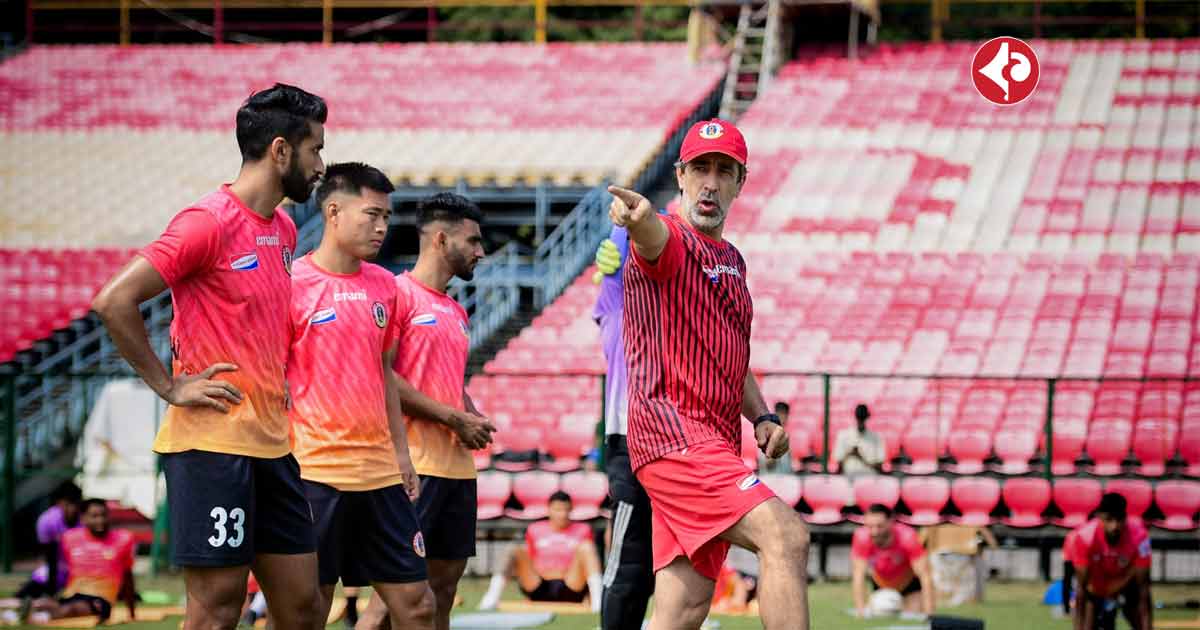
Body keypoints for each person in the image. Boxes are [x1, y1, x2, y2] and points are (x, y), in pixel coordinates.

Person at [91, 83, 327, 629]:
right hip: (211, 446)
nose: (321, 163)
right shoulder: (207, 221)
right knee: (218, 609)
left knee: (304, 607)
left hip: (273, 446)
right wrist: (169, 386)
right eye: (315, 147)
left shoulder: (286, 228)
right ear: (280, 151)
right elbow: (113, 300)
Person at [609, 118, 810, 630]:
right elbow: (653, 238)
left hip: (713, 443)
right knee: (786, 536)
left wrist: (761, 415)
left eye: (725, 171)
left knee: (683, 610)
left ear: (741, 183)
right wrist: (639, 218)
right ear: (680, 175)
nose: (711, 182)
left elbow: (731, 357)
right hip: (675, 440)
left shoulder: (733, 262)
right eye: (701, 168)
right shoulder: (669, 237)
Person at [287, 163, 436, 629]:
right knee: (305, 610)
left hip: (381, 475)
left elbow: (383, 372)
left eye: (387, 218)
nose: (382, 227)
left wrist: (401, 455)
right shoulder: (291, 285)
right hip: (314, 471)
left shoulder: (385, 287)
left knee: (418, 604)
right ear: (333, 211)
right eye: (372, 214)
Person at [360, 192, 494, 630]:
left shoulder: (456, 311)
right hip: (413, 468)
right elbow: (384, 378)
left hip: (456, 472)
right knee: (392, 601)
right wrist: (453, 418)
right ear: (440, 239)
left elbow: (449, 384)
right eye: (473, 241)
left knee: (444, 593)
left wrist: (469, 413)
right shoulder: (396, 294)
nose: (481, 251)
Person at [592, 219, 655, 628]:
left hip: (676, 443)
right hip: (630, 442)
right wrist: (621, 224)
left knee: (661, 568)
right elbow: (626, 225)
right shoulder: (616, 302)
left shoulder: (672, 305)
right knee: (630, 566)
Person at [478, 491, 603, 611]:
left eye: (566, 509)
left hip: (571, 584)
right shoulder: (535, 529)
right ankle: (491, 597)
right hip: (539, 585)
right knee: (514, 548)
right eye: (558, 510)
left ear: (571, 510)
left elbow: (587, 564)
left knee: (587, 547)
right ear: (549, 509)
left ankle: (598, 602)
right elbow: (530, 559)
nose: (562, 514)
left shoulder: (583, 529)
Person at [22, 499, 137, 624]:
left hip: (100, 600)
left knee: (72, 609)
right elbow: (57, 566)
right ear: (83, 518)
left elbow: (128, 577)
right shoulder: (69, 538)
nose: (100, 520)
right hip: (72, 595)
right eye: (94, 516)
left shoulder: (123, 539)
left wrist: (131, 611)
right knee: (45, 603)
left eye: (103, 515)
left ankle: (34, 618)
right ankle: (19, 612)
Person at [1069, 493, 1152, 630]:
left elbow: (1144, 589)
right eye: (1109, 519)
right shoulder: (1084, 538)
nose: (1114, 526)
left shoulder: (1140, 537)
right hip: (1094, 587)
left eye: (1119, 519)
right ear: (1099, 517)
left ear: (1125, 518)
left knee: (1138, 615)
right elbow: (1082, 589)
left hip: (1125, 583)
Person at [851, 504, 934, 619]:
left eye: (880, 526)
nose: (874, 532)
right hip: (881, 582)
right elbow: (858, 575)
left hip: (908, 583)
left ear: (891, 522)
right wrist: (860, 611)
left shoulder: (908, 537)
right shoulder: (861, 537)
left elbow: (925, 575)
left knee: (912, 616)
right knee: (881, 615)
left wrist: (929, 613)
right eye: (870, 526)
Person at [14, 482, 82, 600]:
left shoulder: (85, 520)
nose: (73, 509)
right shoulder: (47, 521)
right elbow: (50, 557)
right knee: (23, 595)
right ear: (58, 503)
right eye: (68, 504)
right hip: (56, 571)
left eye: (75, 503)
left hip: (80, 572)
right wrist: (51, 590)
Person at [833, 403, 885, 476]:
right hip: (848, 477)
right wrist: (850, 453)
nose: (860, 421)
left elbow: (879, 466)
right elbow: (839, 465)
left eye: (862, 418)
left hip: (869, 477)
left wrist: (861, 457)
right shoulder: (843, 435)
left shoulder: (877, 437)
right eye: (859, 417)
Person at [758, 402, 793, 473]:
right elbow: (768, 465)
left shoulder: (785, 435)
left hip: (786, 479)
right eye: (780, 414)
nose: (783, 417)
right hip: (770, 479)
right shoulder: (768, 434)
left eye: (785, 414)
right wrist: (773, 449)